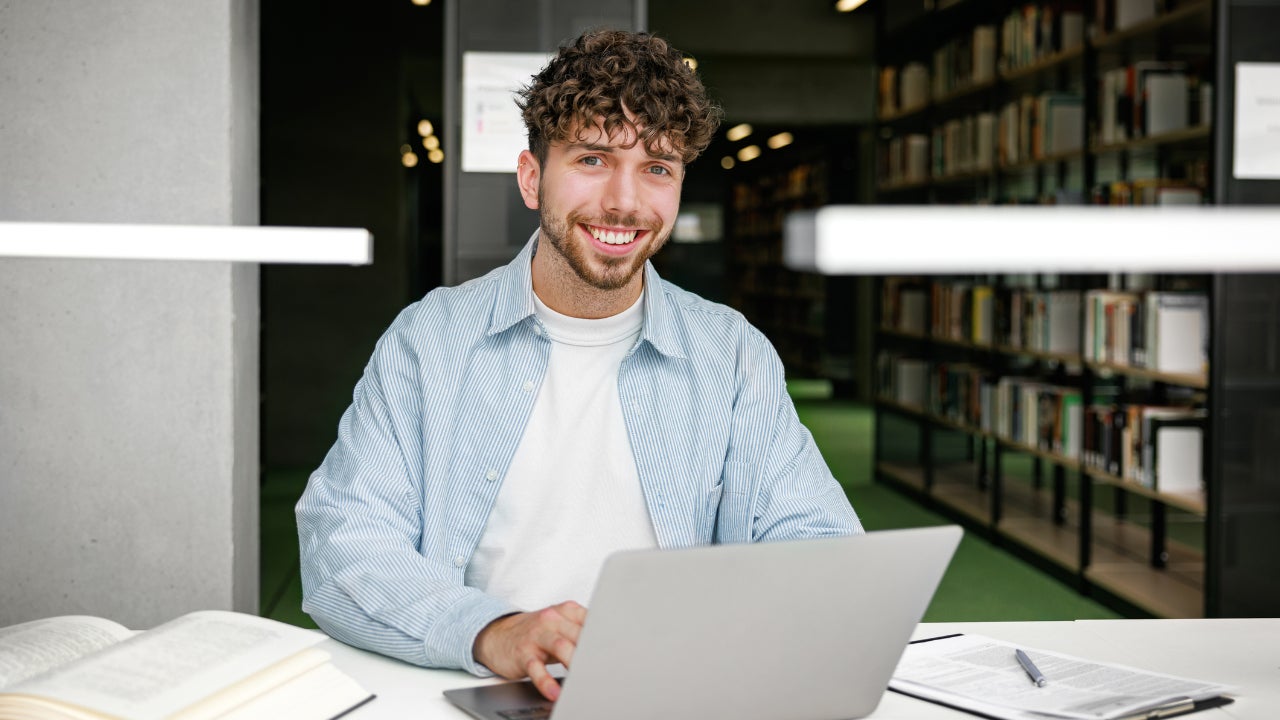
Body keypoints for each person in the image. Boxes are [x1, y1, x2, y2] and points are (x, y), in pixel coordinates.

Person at [296, 28, 863, 702]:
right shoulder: (430, 341)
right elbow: (344, 544)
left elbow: (821, 545)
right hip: (480, 687)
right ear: (533, 179)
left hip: (676, 695)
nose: (625, 201)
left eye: (657, 168)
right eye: (593, 159)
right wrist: (491, 630)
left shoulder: (733, 354)